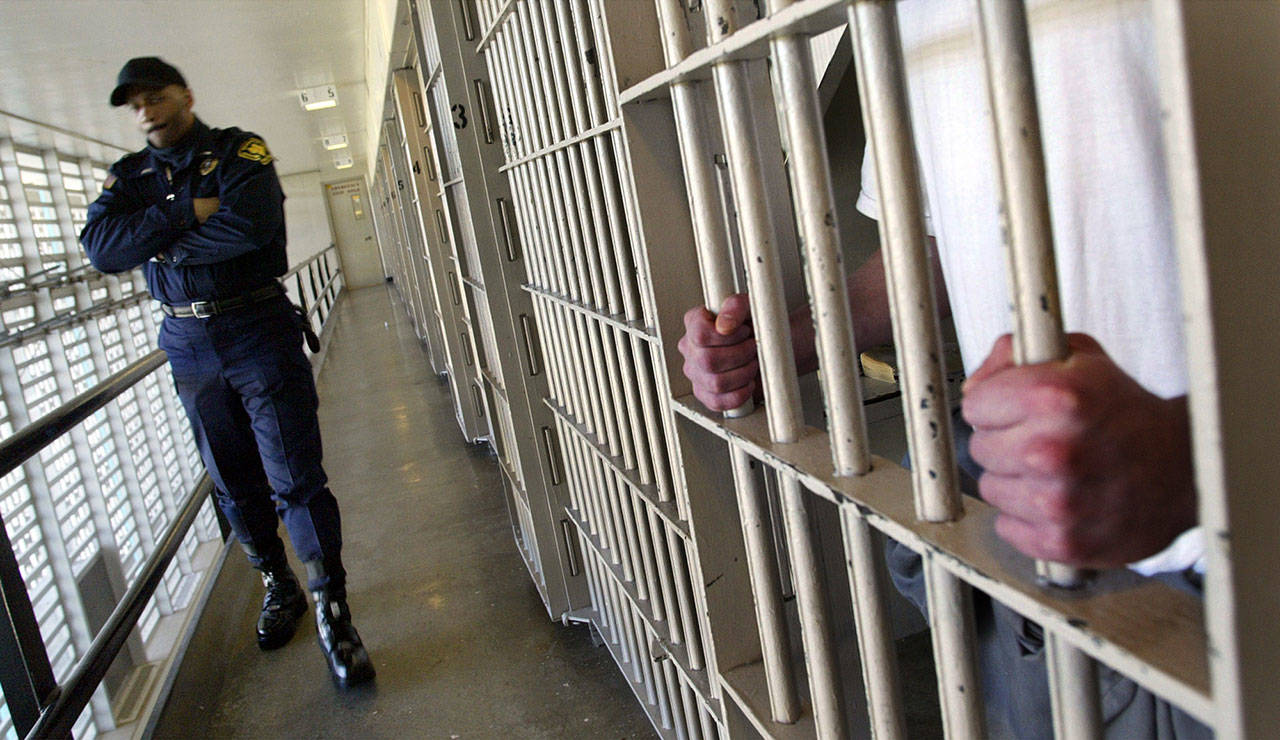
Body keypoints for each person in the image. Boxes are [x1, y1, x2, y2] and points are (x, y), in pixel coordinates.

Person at [678, 1, 1206, 736]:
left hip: (1233, 553)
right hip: (1032, 552)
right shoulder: (899, 11)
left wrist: (1208, 460)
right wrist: (787, 345)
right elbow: (937, 238)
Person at [80, 57, 374, 689]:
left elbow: (252, 227)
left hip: (256, 327)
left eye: (156, 98)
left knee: (294, 472)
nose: (146, 113)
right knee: (231, 478)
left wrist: (157, 244)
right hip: (188, 342)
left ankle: (331, 606)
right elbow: (104, 249)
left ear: (185, 94)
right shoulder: (129, 175)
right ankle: (280, 584)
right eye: (134, 106)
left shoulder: (241, 150)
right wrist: (188, 214)